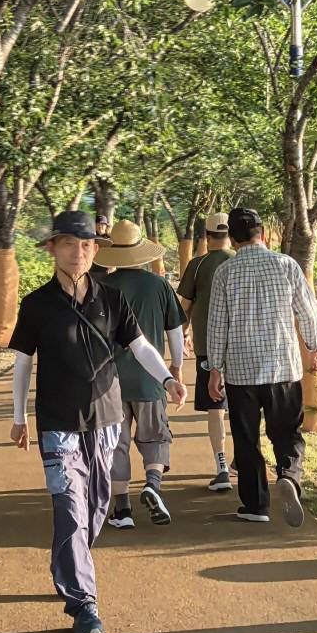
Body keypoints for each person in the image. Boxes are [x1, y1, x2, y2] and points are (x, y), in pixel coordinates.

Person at [8, 211, 187, 633]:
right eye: (70, 244)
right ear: (53, 248)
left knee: (94, 507)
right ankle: (84, 604)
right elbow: (22, 362)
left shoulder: (111, 299)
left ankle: (66, 567)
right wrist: (18, 417)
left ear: (96, 251)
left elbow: (140, 345)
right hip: (58, 423)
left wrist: (167, 378)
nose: (79, 252)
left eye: (87, 245)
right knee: (70, 508)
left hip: (106, 420)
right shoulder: (36, 304)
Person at [206, 208, 317, 527]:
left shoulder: (226, 272)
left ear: (232, 238)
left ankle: (256, 505)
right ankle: (288, 475)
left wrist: (215, 368)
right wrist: (315, 346)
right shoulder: (286, 265)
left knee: (246, 440)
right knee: (286, 433)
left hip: (241, 373)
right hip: (283, 369)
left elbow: (218, 324)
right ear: (263, 234)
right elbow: (308, 311)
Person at [94, 220, 186, 528]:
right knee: (156, 435)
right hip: (150, 376)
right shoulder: (158, 285)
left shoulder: (103, 288)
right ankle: (152, 484)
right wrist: (174, 369)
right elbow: (175, 331)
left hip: (111, 380)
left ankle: (122, 511)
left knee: (115, 443)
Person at [177, 213, 234, 492]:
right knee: (244, 406)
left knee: (216, 409)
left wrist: (183, 335)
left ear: (206, 236)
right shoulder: (239, 261)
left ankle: (221, 466)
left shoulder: (198, 266)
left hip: (208, 349)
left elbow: (184, 307)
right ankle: (241, 459)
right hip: (242, 348)